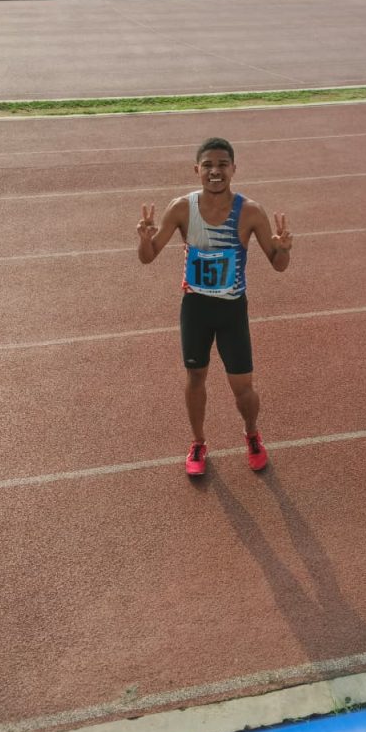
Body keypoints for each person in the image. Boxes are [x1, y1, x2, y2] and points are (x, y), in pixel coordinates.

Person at [137, 137, 293, 477]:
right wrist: (144, 241)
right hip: (196, 309)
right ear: (197, 169)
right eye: (208, 165)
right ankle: (198, 442)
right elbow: (148, 257)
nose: (215, 171)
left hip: (231, 311)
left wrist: (283, 249)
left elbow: (278, 265)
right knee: (195, 377)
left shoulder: (250, 212)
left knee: (243, 388)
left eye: (222, 164)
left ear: (234, 168)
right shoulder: (181, 208)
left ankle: (252, 434)